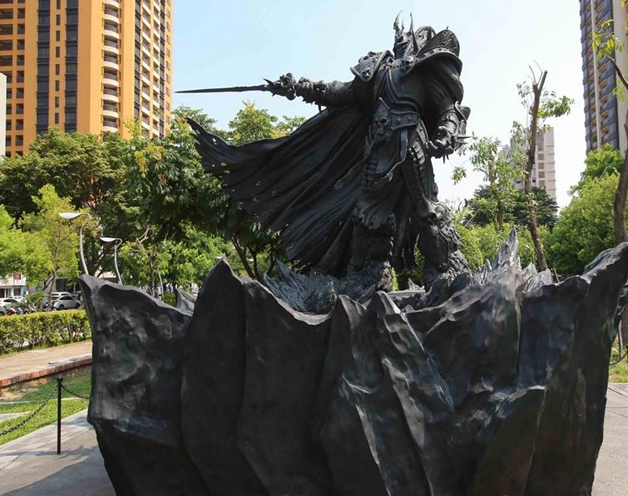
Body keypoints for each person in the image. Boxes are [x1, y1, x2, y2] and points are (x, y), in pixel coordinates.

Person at [189, 16, 471, 300]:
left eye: (406, 37)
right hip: (379, 149)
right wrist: (301, 87)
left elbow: (448, 109)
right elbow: (342, 92)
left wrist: (446, 133)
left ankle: (447, 271)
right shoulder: (378, 70)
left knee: (427, 210)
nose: (401, 39)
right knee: (369, 215)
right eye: (399, 37)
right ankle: (369, 278)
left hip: (413, 145)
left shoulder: (423, 69)